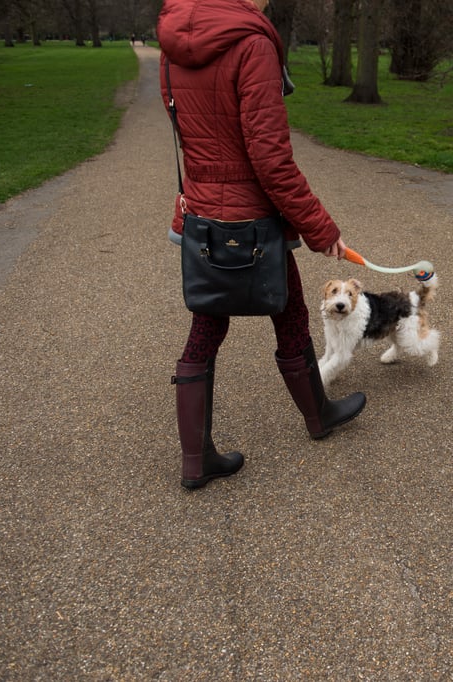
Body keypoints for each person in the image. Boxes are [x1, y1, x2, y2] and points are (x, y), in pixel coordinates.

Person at [157, 0, 366, 490]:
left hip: (204, 213)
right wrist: (320, 228)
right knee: (287, 315)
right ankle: (319, 417)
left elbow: (192, 135)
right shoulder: (251, 42)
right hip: (250, 220)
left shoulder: (171, 43)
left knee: (209, 323)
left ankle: (197, 459)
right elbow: (270, 157)